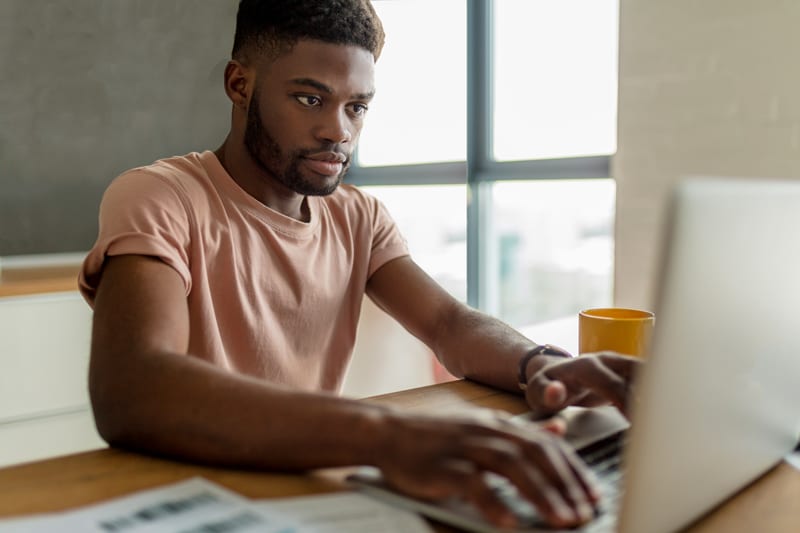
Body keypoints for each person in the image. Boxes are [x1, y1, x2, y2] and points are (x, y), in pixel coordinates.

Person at [79, 0, 639, 529]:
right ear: (239, 84)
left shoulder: (358, 216)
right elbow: (133, 388)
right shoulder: (159, 196)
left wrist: (537, 363)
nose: (338, 131)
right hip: (191, 496)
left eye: (357, 106)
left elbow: (447, 324)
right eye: (309, 99)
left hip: (306, 489)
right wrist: (390, 436)